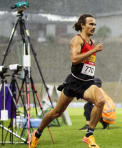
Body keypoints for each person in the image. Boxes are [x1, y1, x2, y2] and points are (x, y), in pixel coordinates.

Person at [30, 14, 105, 148]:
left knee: (100, 100)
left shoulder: (92, 42)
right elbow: (75, 59)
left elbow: (87, 64)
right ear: (82, 25)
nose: (93, 27)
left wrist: (93, 50)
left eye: (95, 24)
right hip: (74, 83)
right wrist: (94, 50)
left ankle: (89, 135)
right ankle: (37, 134)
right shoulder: (77, 40)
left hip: (88, 83)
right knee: (56, 113)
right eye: (90, 24)